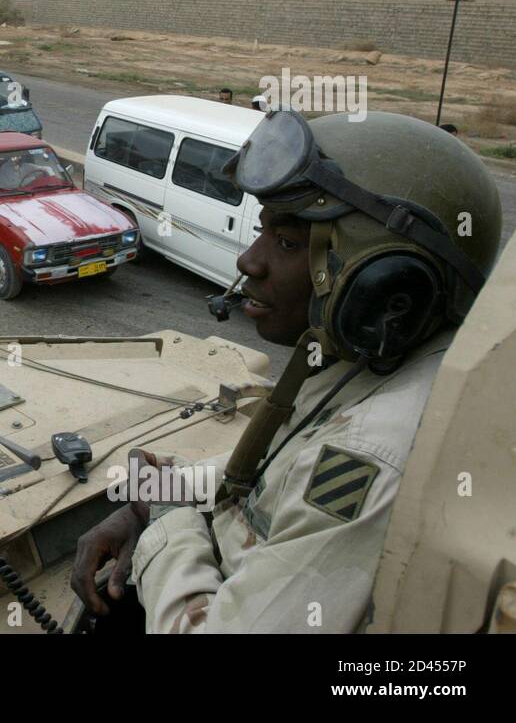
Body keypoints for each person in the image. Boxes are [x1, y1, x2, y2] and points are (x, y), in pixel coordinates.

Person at [70, 109, 501, 632]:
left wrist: (166, 519)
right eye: (263, 232)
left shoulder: (369, 454)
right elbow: (268, 474)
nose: (248, 262)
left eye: (290, 243)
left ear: (387, 286)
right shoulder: (358, 361)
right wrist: (153, 500)